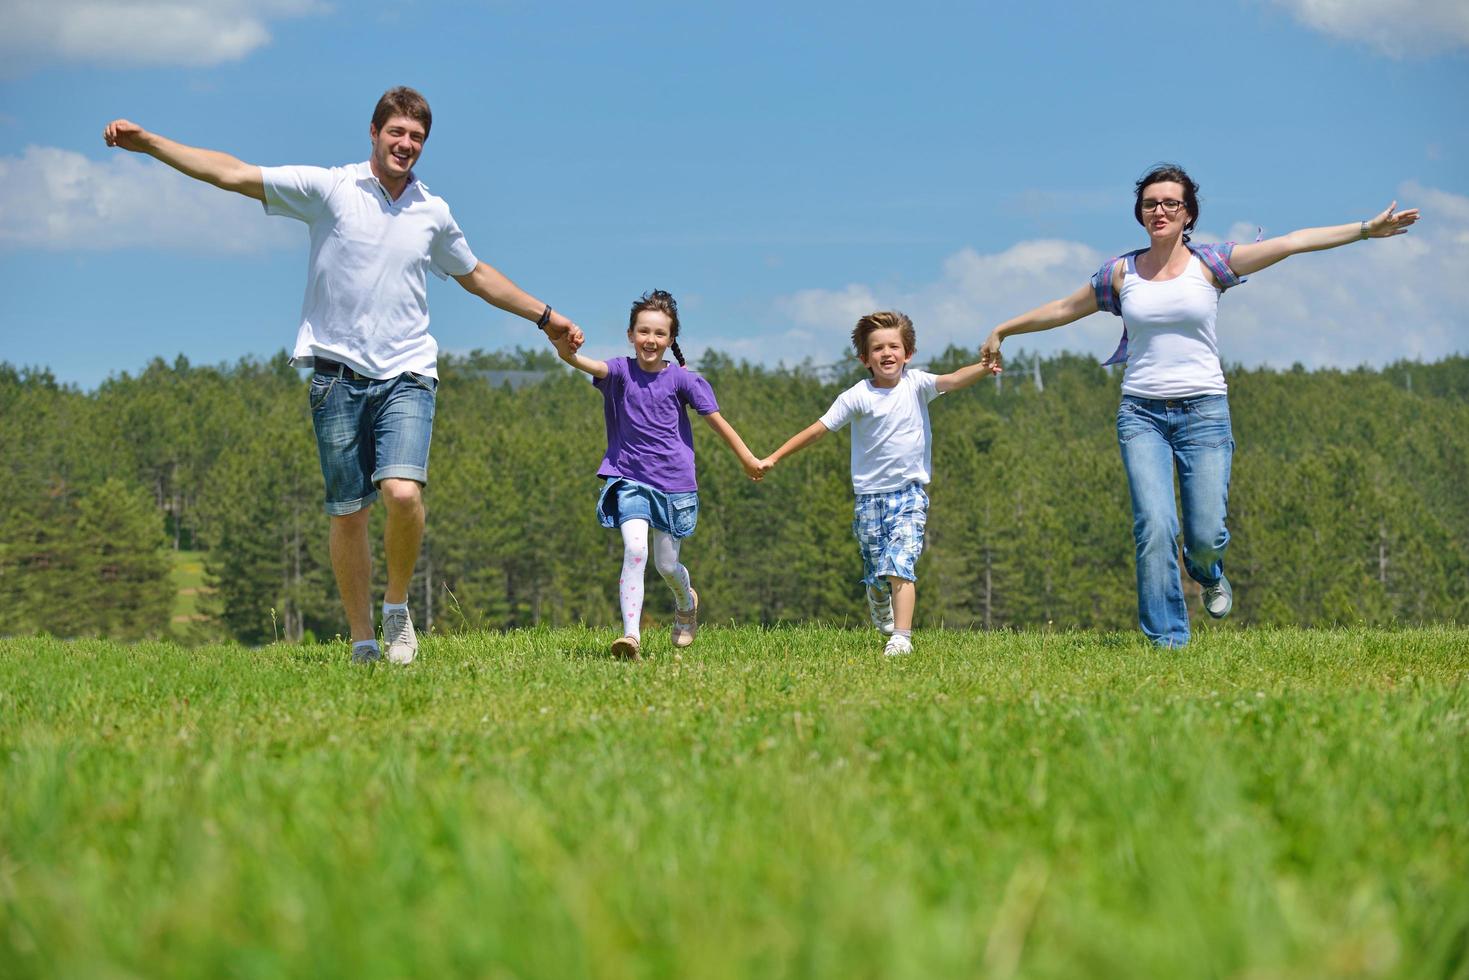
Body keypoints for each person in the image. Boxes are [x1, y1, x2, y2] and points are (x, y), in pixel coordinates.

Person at [103, 86, 585, 665]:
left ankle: (397, 607)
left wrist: (547, 317)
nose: (406, 145)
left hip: (408, 371)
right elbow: (232, 174)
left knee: (402, 494)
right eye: (397, 133)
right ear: (375, 133)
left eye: (417, 138)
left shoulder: (433, 212)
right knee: (349, 512)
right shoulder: (329, 189)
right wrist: (151, 144)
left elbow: (477, 274)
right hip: (335, 378)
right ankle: (361, 640)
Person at [979, 163, 1419, 647]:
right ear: (1140, 214)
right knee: (1154, 524)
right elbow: (1064, 308)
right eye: (1151, 204)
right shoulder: (1121, 274)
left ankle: (1208, 570)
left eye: (1171, 203)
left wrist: (1364, 230)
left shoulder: (1212, 263)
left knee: (1205, 534)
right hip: (1141, 414)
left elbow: (1293, 241)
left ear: (1188, 214)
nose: (1160, 210)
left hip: (1204, 413)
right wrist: (1004, 329)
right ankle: (1167, 640)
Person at [760, 311, 996, 656]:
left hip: (909, 494)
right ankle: (877, 596)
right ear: (864, 358)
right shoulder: (856, 396)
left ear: (908, 353)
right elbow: (817, 430)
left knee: (900, 562)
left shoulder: (918, 385)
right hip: (869, 499)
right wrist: (775, 457)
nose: (887, 353)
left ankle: (901, 637)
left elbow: (955, 379)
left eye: (894, 347)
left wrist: (984, 367)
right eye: (878, 348)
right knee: (876, 568)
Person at [549, 289, 764, 660]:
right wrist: (565, 349)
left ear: (671, 339)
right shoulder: (619, 371)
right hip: (629, 477)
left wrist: (747, 457)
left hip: (674, 484)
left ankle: (685, 601)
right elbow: (584, 363)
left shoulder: (683, 380)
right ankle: (631, 637)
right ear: (631, 335)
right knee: (635, 550)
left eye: (660, 334)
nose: (651, 340)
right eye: (644, 332)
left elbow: (717, 422)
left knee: (666, 564)